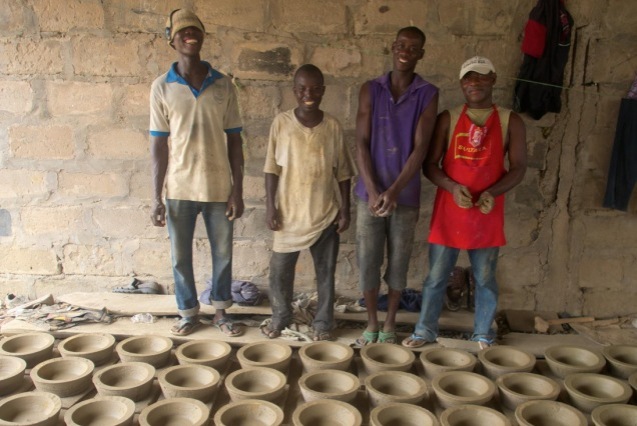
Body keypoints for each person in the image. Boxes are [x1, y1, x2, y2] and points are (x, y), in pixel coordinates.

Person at [402, 56, 527, 349]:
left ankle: (483, 332)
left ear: (493, 79)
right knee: (435, 277)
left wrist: (491, 193)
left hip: (486, 211)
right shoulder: (449, 117)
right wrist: (452, 186)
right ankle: (425, 331)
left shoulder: (511, 120)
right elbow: (431, 165)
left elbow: (520, 167)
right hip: (450, 209)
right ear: (461, 83)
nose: (475, 83)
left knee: (485, 277)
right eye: (469, 77)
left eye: (482, 76)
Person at [149, 9, 244, 337]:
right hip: (178, 187)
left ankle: (220, 311)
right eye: (182, 32)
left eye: (196, 31)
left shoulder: (223, 85)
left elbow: (235, 141)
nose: (190, 36)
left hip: (218, 187)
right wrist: (156, 197)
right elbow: (158, 146)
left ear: (203, 37)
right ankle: (188, 312)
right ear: (171, 40)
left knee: (223, 253)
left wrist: (238, 190)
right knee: (180, 257)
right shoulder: (162, 87)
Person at [354, 27, 439, 345]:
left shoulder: (427, 93)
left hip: (405, 196)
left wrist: (394, 191)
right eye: (401, 44)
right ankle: (372, 322)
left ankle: (390, 323)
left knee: (399, 263)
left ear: (421, 54)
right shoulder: (371, 89)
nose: (406, 50)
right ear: (392, 47)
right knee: (368, 260)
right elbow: (361, 142)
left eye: (414, 47)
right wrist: (375, 190)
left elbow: (420, 148)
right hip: (369, 196)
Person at [261, 64, 356, 341]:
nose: (308, 94)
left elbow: (344, 173)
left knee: (325, 273)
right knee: (280, 272)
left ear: (323, 91)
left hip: (324, 213)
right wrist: (270, 207)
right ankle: (280, 316)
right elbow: (271, 169)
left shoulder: (333, 126)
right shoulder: (281, 123)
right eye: (302, 89)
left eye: (315, 88)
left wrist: (345, 210)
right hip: (288, 215)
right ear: (294, 91)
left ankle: (324, 323)